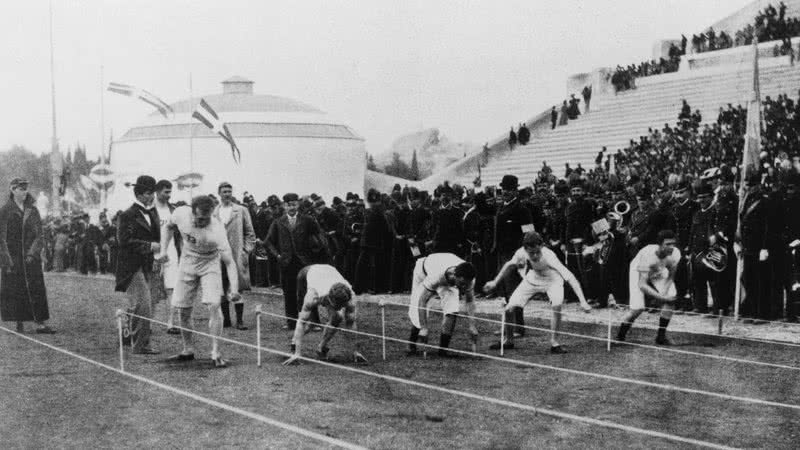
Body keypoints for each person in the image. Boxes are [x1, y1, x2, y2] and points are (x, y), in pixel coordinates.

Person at [157, 195, 241, 368]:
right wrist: (163, 250)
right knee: (183, 307)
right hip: (187, 261)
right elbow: (168, 227)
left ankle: (216, 351)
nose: (202, 221)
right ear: (192, 211)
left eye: (206, 218)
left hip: (209, 263)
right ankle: (188, 348)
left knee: (214, 304)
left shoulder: (216, 231)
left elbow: (229, 262)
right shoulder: (181, 213)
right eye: (199, 218)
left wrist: (234, 288)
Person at [484, 231, 591, 354]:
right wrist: (495, 282)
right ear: (525, 249)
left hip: (553, 281)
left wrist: (583, 301)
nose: (534, 256)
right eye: (531, 253)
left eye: (537, 252)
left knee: (557, 306)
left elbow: (571, 277)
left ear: (542, 246)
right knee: (509, 309)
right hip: (533, 278)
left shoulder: (549, 256)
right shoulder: (520, 252)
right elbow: (509, 265)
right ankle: (508, 340)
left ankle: (554, 343)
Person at [265, 193, 328, 330]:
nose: (291, 207)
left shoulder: (307, 220)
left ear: (298, 204)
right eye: (288, 205)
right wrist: (278, 256)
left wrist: (315, 251)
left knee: (309, 292)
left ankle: (314, 322)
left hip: (305, 263)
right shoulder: (278, 222)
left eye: (294, 204)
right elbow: (268, 242)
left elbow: (319, 236)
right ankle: (291, 322)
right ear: (284, 206)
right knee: (289, 292)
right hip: (286, 263)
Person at [0, 178, 55, 334]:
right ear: (12, 189)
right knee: (16, 289)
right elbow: (1, 239)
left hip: (31, 258)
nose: (24, 192)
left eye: (25, 189)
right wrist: (7, 261)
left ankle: (41, 323)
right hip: (13, 258)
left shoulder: (33, 210)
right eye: (20, 189)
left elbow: (40, 235)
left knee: (36, 288)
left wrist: (32, 253)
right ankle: (19, 321)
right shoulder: (5, 211)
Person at [283, 264, 366, 365]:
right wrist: (297, 354)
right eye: (337, 306)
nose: (340, 308)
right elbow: (301, 321)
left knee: (338, 317)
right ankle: (294, 342)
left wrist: (355, 352)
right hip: (306, 274)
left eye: (342, 306)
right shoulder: (313, 297)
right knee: (309, 322)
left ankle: (321, 348)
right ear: (329, 299)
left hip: (329, 270)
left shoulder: (351, 298)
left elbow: (350, 322)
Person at [114, 175, 161, 354]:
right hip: (131, 266)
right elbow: (123, 241)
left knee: (140, 304)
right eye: (149, 193)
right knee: (144, 304)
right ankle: (141, 345)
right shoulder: (127, 215)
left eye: (153, 193)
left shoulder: (153, 213)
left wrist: (156, 256)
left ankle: (126, 335)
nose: (152, 197)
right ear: (139, 194)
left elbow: (156, 238)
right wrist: (148, 246)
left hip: (148, 264)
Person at [615, 230, 681, 345]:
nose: (671, 247)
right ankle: (620, 336)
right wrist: (661, 298)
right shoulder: (648, 256)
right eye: (668, 244)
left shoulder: (675, 254)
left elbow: (671, 276)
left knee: (671, 296)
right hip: (638, 269)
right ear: (660, 245)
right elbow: (642, 284)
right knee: (638, 308)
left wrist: (663, 295)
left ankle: (660, 337)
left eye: (673, 244)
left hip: (659, 268)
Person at [406, 253, 478, 357]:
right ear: (454, 275)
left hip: (448, 278)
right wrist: (424, 328)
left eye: (466, 284)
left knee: (452, 309)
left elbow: (470, 301)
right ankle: (411, 344)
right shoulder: (436, 275)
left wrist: (472, 326)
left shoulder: (468, 278)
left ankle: (442, 351)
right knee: (416, 305)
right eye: (462, 284)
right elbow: (423, 301)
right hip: (423, 272)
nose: (464, 287)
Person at [216, 182, 256, 330]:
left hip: (236, 254)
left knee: (237, 287)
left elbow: (250, 233)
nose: (227, 194)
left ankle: (239, 320)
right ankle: (226, 320)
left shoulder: (241, 210)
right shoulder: (214, 212)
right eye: (224, 191)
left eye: (229, 191)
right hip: (218, 255)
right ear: (219, 193)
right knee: (220, 286)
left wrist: (246, 250)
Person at [152, 180, 181, 334]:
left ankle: (171, 323)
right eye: (166, 192)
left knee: (172, 288)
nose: (169, 195)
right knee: (151, 288)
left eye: (170, 192)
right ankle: (147, 324)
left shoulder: (173, 210)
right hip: (154, 251)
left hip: (170, 252)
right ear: (157, 192)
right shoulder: (150, 209)